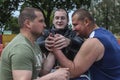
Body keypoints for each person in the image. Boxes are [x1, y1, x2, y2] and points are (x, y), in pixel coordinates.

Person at [46, 9, 120, 80]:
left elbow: (73, 72)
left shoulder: (93, 42)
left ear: (86, 22)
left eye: (75, 25)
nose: (73, 29)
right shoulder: (106, 33)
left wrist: (55, 49)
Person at [0, 7, 70, 80]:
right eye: (41, 21)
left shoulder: (34, 44)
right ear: (28, 23)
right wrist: (53, 76)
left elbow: (43, 72)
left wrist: (54, 49)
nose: (45, 25)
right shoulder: (21, 48)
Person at [37, 8, 89, 80]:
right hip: (49, 73)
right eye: (57, 18)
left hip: (70, 72)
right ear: (53, 20)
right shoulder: (45, 33)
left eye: (63, 18)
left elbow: (82, 44)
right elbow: (35, 44)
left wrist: (69, 42)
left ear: (67, 21)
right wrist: (45, 44)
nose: (59, 20)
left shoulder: (74, 33)